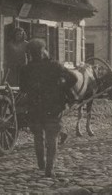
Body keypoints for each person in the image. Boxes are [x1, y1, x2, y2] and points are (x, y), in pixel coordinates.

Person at [20, 39, 78, 177]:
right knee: (52, 137)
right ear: (43, 50)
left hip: (34, 106)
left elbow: (23, 88)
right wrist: (61, 86)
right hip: (53, 106)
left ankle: (41, 162)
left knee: (38, 136)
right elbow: (73, 78)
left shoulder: (26, 69)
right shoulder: (55, 65)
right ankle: (49, 168)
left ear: (30, 53)